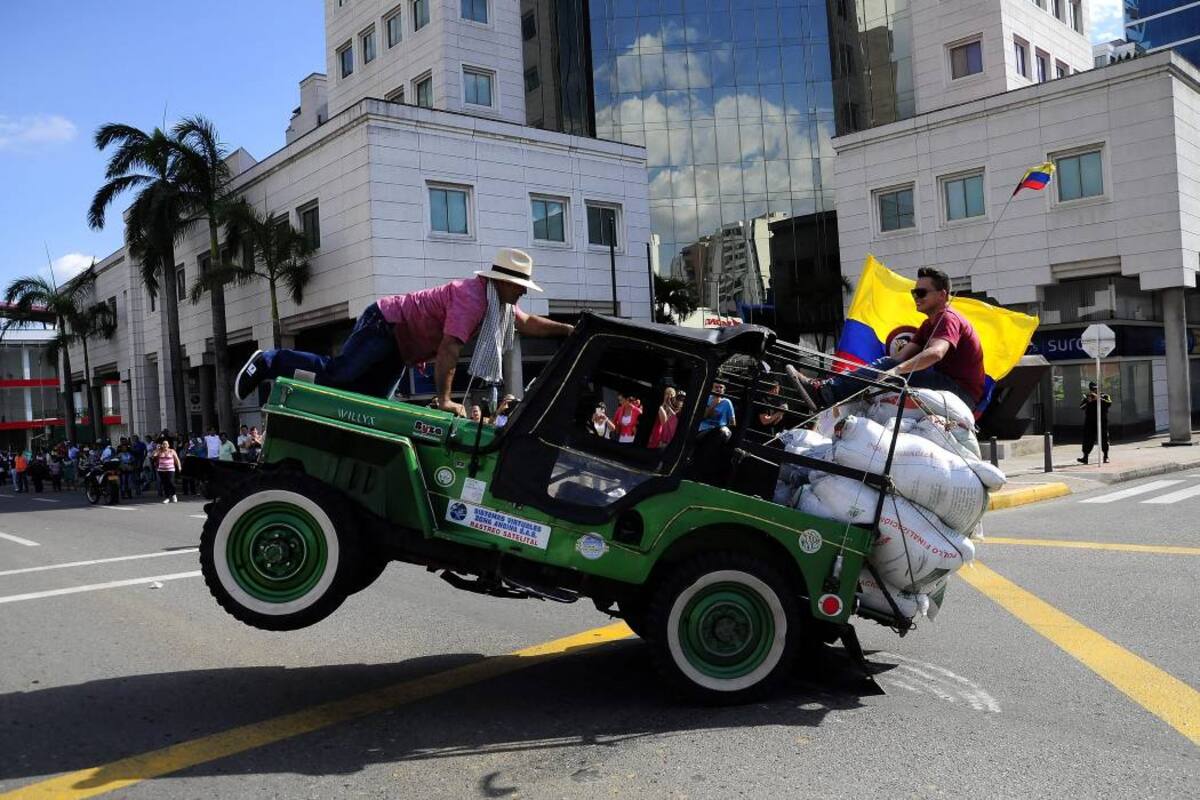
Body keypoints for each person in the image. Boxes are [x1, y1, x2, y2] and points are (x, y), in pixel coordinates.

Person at [233, 248, 573, 416]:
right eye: (521, 286)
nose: (524, 292)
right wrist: (443, 400)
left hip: (400, 348)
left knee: (375, 410)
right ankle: (270, 361)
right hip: (385, 324)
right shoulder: (473, 298)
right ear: (503, 282)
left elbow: (527, 323)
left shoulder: (497, 306)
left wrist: (568, 330)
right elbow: (449, 350)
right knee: (340, 375)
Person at [790, 267, 985, 412]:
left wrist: (895, 370)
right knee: (887, 367)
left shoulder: (948, 318)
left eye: (921, 292)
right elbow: (899, 358)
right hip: (948, 386)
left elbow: (936, 352)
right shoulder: (927, 325)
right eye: (914, 293)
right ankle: (832, 391)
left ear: (942, 295)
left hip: (961, 393)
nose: (916, 297)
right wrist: (876, 372)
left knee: (891, 369)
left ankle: (825, 393)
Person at [1078, 381, 1112, 465]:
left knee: (1104, 438)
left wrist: (1098, 399)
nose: (1094, 390)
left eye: (1096, 389)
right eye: (1093, 389)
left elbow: (1109, 403)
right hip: (1090, 422)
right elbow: (1081, 407)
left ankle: (1106, 456)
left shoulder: (1105, 396)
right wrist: (1087, 401)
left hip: (1102, 421)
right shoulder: (1087, 397)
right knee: (1087, 439)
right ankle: (1085, 457)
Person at [154, 438, 181, 503]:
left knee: (171, 482)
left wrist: (179, 466)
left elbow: (177, 459)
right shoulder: (159, 451)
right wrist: (157, 449)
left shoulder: (172, 451)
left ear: (168, 445)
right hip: (161, 470)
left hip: (170, 469)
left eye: (166, 444)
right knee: (165, 483)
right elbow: (153, 456)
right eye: (163, 444)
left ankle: (174, 495)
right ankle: (167, 497)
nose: (164, 445)